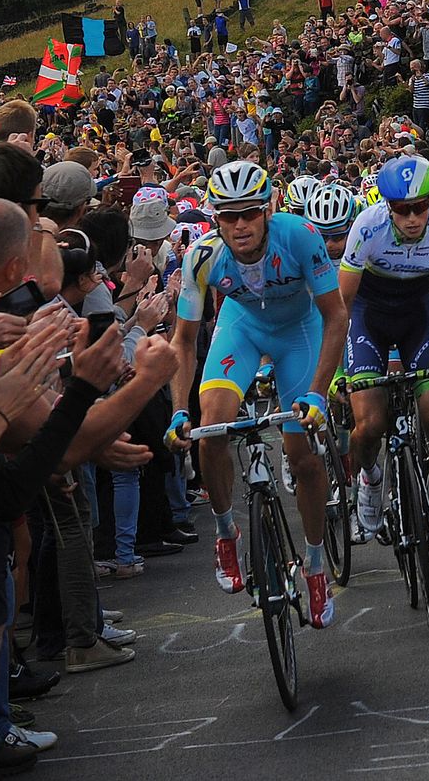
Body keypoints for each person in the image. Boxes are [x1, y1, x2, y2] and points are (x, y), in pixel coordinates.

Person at [161, 159, 347, 626]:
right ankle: (226, 534)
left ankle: (317, 565)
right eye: (228, 215)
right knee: (211, 427)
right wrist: (177, 412)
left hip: (298, 333)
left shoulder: (300, 235)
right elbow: (183, 340)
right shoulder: (202, 256)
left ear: (268, 210)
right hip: (240, 330)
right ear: (215, 217)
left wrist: (319, 394)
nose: (239, 225)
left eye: (249, 213)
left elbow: (335, 316)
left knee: (301, 451)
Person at [338, 156, 429, 581]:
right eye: (402, 209)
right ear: (387, 205)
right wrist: (338, 371)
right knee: (369, 423)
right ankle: (371, 479)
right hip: (368, 313)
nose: (413, 218)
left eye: (420, 207)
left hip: (420, 314)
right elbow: (340, 307)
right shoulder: (367, 227)